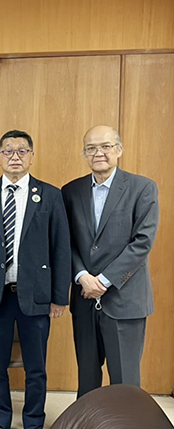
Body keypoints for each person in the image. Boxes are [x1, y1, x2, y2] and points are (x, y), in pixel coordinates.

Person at [0, 130, 70, 429]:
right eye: (8, 151)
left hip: (35, 295)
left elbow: (61, 248)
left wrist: (60, 296)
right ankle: (0, 422)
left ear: (32, 157)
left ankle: (34, 423)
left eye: (22, 151)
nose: (15, 157)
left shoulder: (49, 195)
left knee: (36, 368)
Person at [62, 125, 158, 398]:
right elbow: (64, 242)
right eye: (91, 148)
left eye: (105, 146)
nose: (99, 153)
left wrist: (102, 281)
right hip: (83, 297)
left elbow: (142, 243)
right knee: (87, 382)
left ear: (118, 150)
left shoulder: (142, 188)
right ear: (84, 154)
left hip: (125, 300)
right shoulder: (71, 191)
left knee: (125, 384)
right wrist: (82, 275)